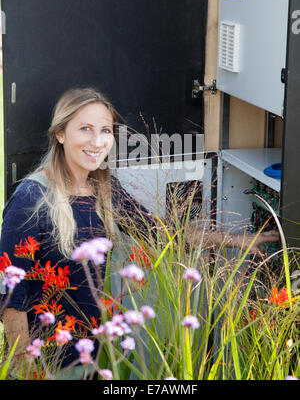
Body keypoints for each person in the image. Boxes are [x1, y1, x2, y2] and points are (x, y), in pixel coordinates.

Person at [0, 87, 279, 371]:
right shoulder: (32, 197)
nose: (97, 141)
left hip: (98, 358)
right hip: (50, 365)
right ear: (60, 134)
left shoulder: (105, 190)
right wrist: (24, 368)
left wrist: (238, 240)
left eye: (105, 130)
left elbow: (163, 233)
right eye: (85, 129)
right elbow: (11, 295)